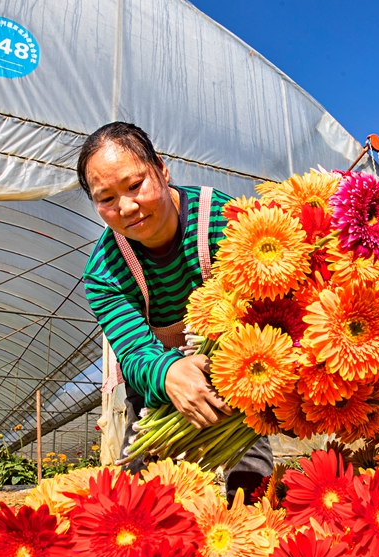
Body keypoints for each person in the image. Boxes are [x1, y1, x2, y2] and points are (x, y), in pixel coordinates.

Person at [78, 122, 273, 499]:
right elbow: (133, 351)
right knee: (138, 486)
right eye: (106, 199)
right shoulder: (104, 269)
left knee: (249, 468)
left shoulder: (224, 220)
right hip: (155, 378)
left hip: (235, 366)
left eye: (135, 186)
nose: (127, 207)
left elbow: (265, 302)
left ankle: (249, 518)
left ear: (162, 169)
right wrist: (168, 372)